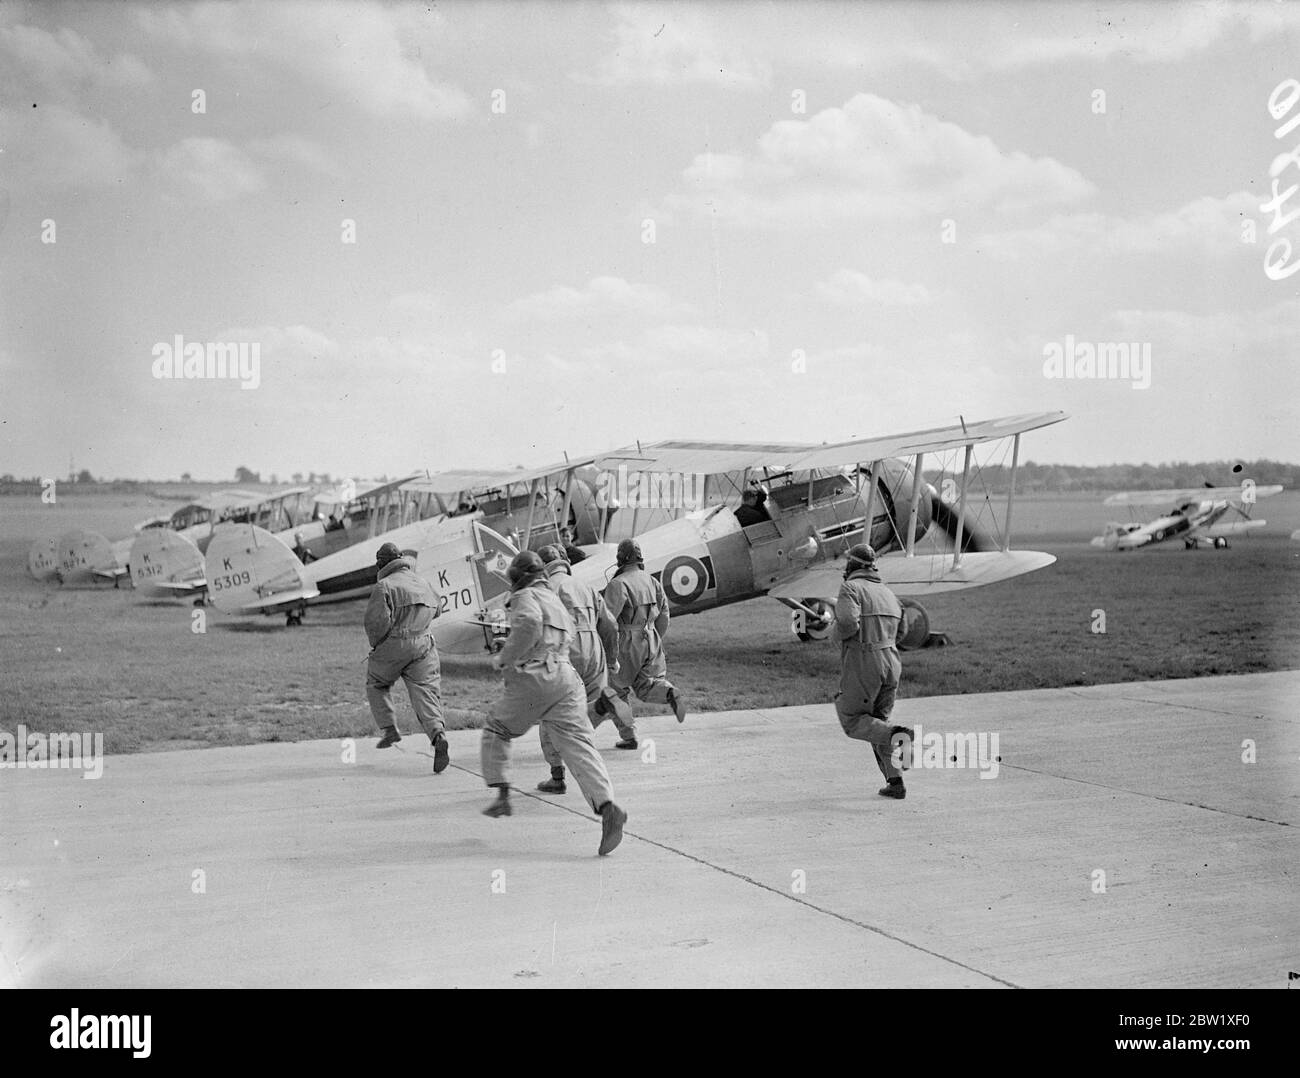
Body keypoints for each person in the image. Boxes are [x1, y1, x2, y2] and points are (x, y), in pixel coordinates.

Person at [480, 550, 628, 856]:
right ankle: (608, 806)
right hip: (566, 677)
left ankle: (502, 794)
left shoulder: (525, 596)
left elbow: (529, 623)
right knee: (578, 745)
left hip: (537, 675)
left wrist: (505, 656)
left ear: (519, 577)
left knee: (497, 728)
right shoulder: (554, 599)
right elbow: (560, 634)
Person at [533, 544, 635, 793]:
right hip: (594, 648)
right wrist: (611, 660)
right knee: (590, 703)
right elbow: (610, 625)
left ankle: (557, 776)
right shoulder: (586, 586)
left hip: (564, 649)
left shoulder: (543, 590)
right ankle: (600, 709)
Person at [832, 543, 914, 799]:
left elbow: (847, 622)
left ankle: (899, 735)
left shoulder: (851, 588)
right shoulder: (888, 593)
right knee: (877, 723)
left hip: (865, 662)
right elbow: (903, 630)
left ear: (852, 565)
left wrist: (836, 635)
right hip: (892, 662)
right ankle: (895, 782)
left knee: (853, 719)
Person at [364, 541, 449, 773]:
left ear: (381, 564)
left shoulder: (383, 586)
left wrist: (379, 646)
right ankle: (438, 735)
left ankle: (389, 729)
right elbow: (438, 609)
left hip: (394, 644)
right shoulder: (422, 581)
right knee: (426, 691)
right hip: (423, 644)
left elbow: (375, 623)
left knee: (376, 683)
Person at [602, 539, 686, 743]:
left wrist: (606, 651)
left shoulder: (618, 584)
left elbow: (609, 621)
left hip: (626, 641)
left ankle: (629, 735)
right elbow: (664, 615)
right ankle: (669, 692)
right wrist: (655, 639)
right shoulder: (652, 581)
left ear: (620, 558)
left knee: (615, 691)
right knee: (647, 685)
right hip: (651, 637)